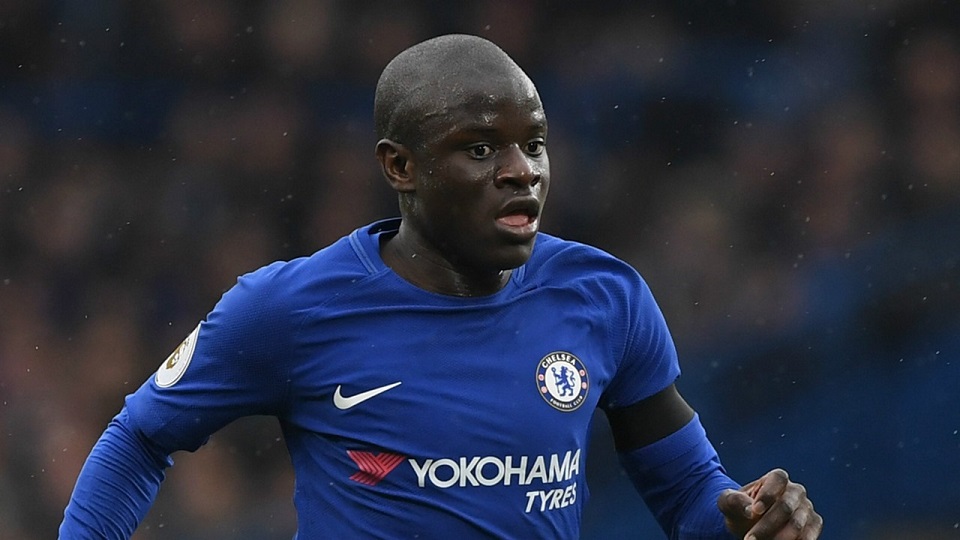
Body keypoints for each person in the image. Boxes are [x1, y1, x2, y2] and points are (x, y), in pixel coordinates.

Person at [60, 34, 822, 539]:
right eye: (481, 148)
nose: (521, 171)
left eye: (533, 144)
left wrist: (751, 519)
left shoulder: (605, 297)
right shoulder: (287, 308)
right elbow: (140, 437)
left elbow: (688, 492)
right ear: (401, 166)